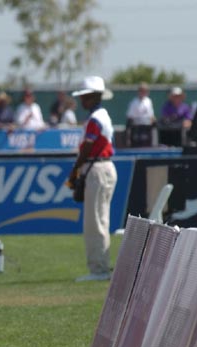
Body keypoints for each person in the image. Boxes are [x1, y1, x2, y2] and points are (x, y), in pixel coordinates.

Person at [68, 76, 117, 282]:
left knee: (94, 221)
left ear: (94, 96)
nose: (82, 101)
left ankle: (99, 269)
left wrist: (75, 170)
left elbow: (88, 147)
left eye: (85, 97)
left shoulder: (96, 119)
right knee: (100, 219)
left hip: (97, 168)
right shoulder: (101, 116)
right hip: (103, 167)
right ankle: (101, 266)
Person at [126, 82, 156, 147]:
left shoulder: (149, 101)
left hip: (147, 127)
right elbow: (130, 116)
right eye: (141, 90)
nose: (143, 92)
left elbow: (151, 115)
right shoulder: (134, 102)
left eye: (145, 91)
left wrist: (153, 121)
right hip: (137, 128)